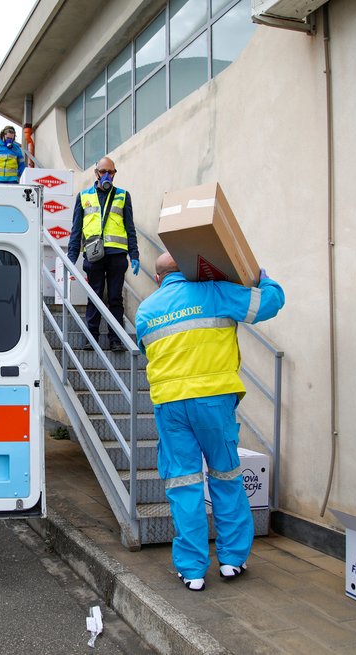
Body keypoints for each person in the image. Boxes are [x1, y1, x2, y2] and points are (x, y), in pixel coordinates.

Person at [134, 252, 284, 591]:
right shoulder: (214, 292)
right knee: (226, 476)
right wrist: (262, 277)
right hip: (214, 401)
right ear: (188, 270)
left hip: (171, 406)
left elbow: (148, 352)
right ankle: (232, 561)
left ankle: (192, 571)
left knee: (183, 484)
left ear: (158, 279)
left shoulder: (146, 310)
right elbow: (270, 304)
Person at [66, 156, 140, 351]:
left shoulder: (123, 196)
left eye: (111, 172)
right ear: (96, 173)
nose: (107, 175)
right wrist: (71, 257)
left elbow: (129, 227)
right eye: (103, 171)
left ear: (114, 174)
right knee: (94, 296)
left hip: (117, 254)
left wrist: (134, 255)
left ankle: (116, 340)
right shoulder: (83, 196)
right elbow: (76, 229)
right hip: (93, 254)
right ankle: (91, 338)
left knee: (115, 298)